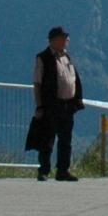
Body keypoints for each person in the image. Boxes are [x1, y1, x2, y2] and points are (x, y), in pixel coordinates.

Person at [31, 26, 85, 182]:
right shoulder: (43, 58)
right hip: (51, 105)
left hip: (68, 105)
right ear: (54, 40)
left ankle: (63, 170)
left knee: (65, 139)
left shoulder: (67, 57)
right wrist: (40, 106)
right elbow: (37, 83)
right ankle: (44, 170)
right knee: (47, 138)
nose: (67, 40)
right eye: (63, 38)